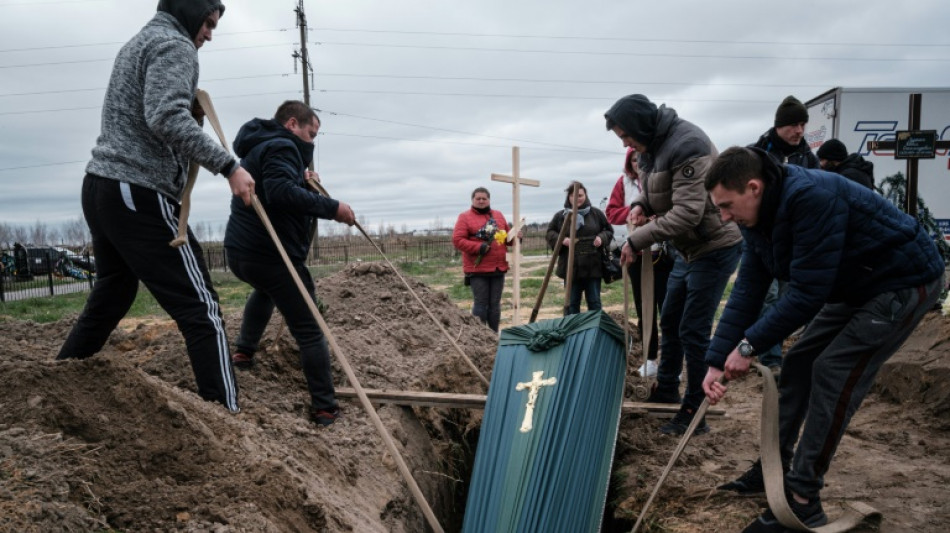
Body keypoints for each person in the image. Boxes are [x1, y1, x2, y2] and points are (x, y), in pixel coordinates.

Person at [702, 146, 944, 533]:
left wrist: (748, 347)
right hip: (854, 285)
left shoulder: (811, 197)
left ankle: (802, 501)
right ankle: (772, 470)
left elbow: (807, 294)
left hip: (903, 281)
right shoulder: (757, 220)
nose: (724, 217)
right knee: (798, 362)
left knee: (833, 371)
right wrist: (717, 359)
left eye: (727, 206)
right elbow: (748, 288)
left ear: (754, 187)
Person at [56, 0, 255, 414]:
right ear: (190, 11)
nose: (209, 34)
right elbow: (164, 117)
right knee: (201, 310)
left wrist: (191, 115)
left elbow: (157, 116)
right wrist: (229, 165)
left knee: (114, 293)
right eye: (208, 22)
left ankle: (57, 384)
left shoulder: (140, 41)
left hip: (102, 188)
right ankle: (228, 422)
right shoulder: (174, 45)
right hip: (137, 189)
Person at [605, 94, 742, 435]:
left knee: (694, 329)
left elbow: (687, 212)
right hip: (688, 249)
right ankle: (667, 389)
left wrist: (636, 239)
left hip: (714, 245)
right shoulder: (650, 147)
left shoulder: (688, 144)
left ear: (640, 125)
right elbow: (652, 188)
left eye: (625, 135)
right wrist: (638, 203)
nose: (625, 143)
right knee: (671, 317)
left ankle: (695, 413)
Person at [224, 101, 355, 427]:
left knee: (266, 291)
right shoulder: (282, 146)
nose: (312, 141)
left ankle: (244, 351)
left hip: (241, 252)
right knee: (311, 330)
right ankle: (325, 408)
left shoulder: (261, 146)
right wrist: (333, 207)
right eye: (312, 133)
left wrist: (302, 178)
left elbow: (275, 187)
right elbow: (280, 192)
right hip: (270, 254)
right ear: (293, 123)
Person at [605, 148, 674, 375]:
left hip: (662, 251)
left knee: (669, 308)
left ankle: (672, 359)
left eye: (641, 159)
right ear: (629, 162)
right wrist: (636, 211)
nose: (638, 163)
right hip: (636, 251)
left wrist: (657, 214)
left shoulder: (660, 179)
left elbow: (675, 207)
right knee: (644, 308)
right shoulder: (622, 184)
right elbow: (612, 213)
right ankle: (650, 358)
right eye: (634, 160)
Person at [452, 187, 515, 332]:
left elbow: (507, 239)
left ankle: (493, 334)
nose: (481, 201)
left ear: (489, 200)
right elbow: (458, 240)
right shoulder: (465, 217)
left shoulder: (498, 215)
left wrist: (516, 237)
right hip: (478, 269)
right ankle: (480, 336)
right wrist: (478, 247)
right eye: (478, 198)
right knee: (481, 304)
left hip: (498, 267)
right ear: (473, 200)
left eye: (484, 198)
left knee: (495, 304)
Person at [546, 181, 614, 315]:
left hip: (593, 268)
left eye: (580, 195)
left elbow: (608, 230)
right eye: (573, 196)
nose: (577, 198)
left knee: (594, 303)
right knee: (571, 304)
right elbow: (550, 233)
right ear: (569, 197)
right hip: (571, 269)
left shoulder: (596, 214)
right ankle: (572, 333)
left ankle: (594, 332)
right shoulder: (561, 216)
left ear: (586, 195)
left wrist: (601, 238)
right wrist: (562, 240)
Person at [753, 96, 819, 168]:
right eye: (794, 125)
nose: (799, 131)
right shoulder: (754, 153)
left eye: (802, 124)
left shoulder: (810, 159)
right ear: (779, 126)